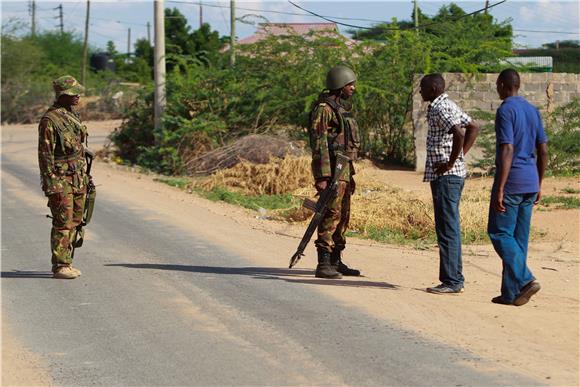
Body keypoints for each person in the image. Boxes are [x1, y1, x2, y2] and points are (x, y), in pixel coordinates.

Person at [488, 69, 548, 306]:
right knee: (518, 239)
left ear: (503, 85)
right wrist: (539, 183)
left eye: (497, 84)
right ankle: (511, 293)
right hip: (530, 182)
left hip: (512, 182)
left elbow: (507, 149)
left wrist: (500, 188)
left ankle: (525, 279)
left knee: (499, 233)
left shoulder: (505, 110)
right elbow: (543, 149)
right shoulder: (533, 111)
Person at [419, 73, 480, 294]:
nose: (420, 91)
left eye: (423, 87)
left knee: (447, 228)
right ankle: (454, 278)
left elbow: (460, 133)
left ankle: (452, 281)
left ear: (434, 88)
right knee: (449, 227)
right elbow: (473, 126)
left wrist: (450, 163)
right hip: (450, 175)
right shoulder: (448, 104)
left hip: (446, 178)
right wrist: (459, 158)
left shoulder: (440, 108)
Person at [308, 65, 361, 279]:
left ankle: (336, 259)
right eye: (350, 84)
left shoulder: (339, 108)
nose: (353, 88)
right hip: (331, 171)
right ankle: (324, 262)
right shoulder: (324, 109)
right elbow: (319, 143)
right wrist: (322, 176)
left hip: (344, 169)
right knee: (330, 213)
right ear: (339, 85)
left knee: (343, 214)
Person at [38, 75, 90, 279]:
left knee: (76, 220)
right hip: (60, 180)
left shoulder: (72, 115)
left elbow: (74, 143)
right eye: (72, 93)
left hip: (78, 177)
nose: (77, 96)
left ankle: (67, 261)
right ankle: (60, 265)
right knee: (63, 221)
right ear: (61, 95)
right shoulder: (49, 121)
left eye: (77, 92)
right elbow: (45, 155)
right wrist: (51, 185)